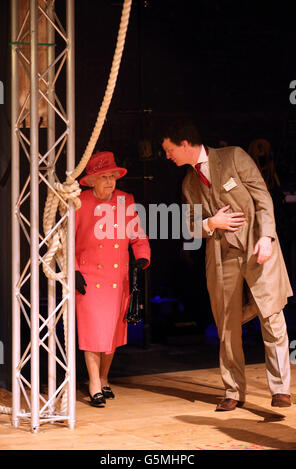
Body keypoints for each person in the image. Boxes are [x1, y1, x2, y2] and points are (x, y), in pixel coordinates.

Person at [162, 121, 293, 411]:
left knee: (271, 314)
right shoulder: (189, 183)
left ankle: (281, 388)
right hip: (222, 255)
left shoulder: (233, 157)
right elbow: (190, 226)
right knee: (227, 323)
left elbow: (262, 197)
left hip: (257, 246)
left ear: (185, 144)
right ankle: (233, 390)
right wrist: (212, 223)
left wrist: (267, 236)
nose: (168, 156)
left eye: (169, 150)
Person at [75, 151, 151, 407]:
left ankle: (104, 378)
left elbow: (138, 235)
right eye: (104, 177)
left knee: (112, 334)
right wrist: (73, 270)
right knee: (93, 332)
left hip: (117, 277)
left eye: (112, 176)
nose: (109, 181)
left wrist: (141, 257)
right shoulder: (79, 202)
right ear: (92, 180)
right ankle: (94, 382)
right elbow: (67, 240)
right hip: (88, 276)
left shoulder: (125, 201)